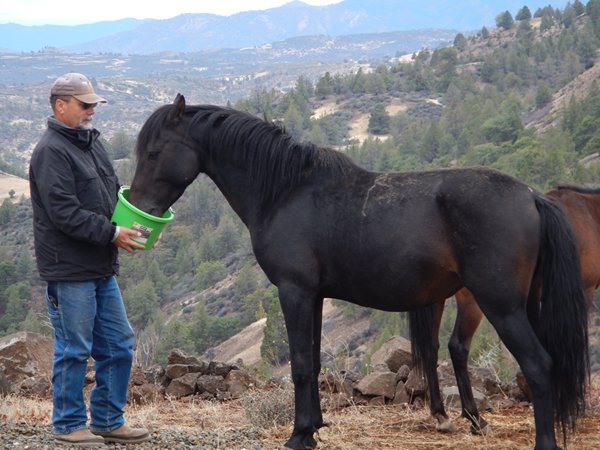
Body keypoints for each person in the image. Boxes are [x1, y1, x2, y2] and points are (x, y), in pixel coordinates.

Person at [29, 73, 150, 447]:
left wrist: (134, 225)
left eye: (93, 104)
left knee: (118, 343)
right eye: (84, 105)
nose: (91, 110)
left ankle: (108, 420)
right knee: (75, 347)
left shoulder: (91, 144)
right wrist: (113, 234)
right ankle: (68, 425)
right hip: (68, 270)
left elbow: (110, 196)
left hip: (99, 265)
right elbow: (64, 213)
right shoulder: (51, 151)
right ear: (60, 105)